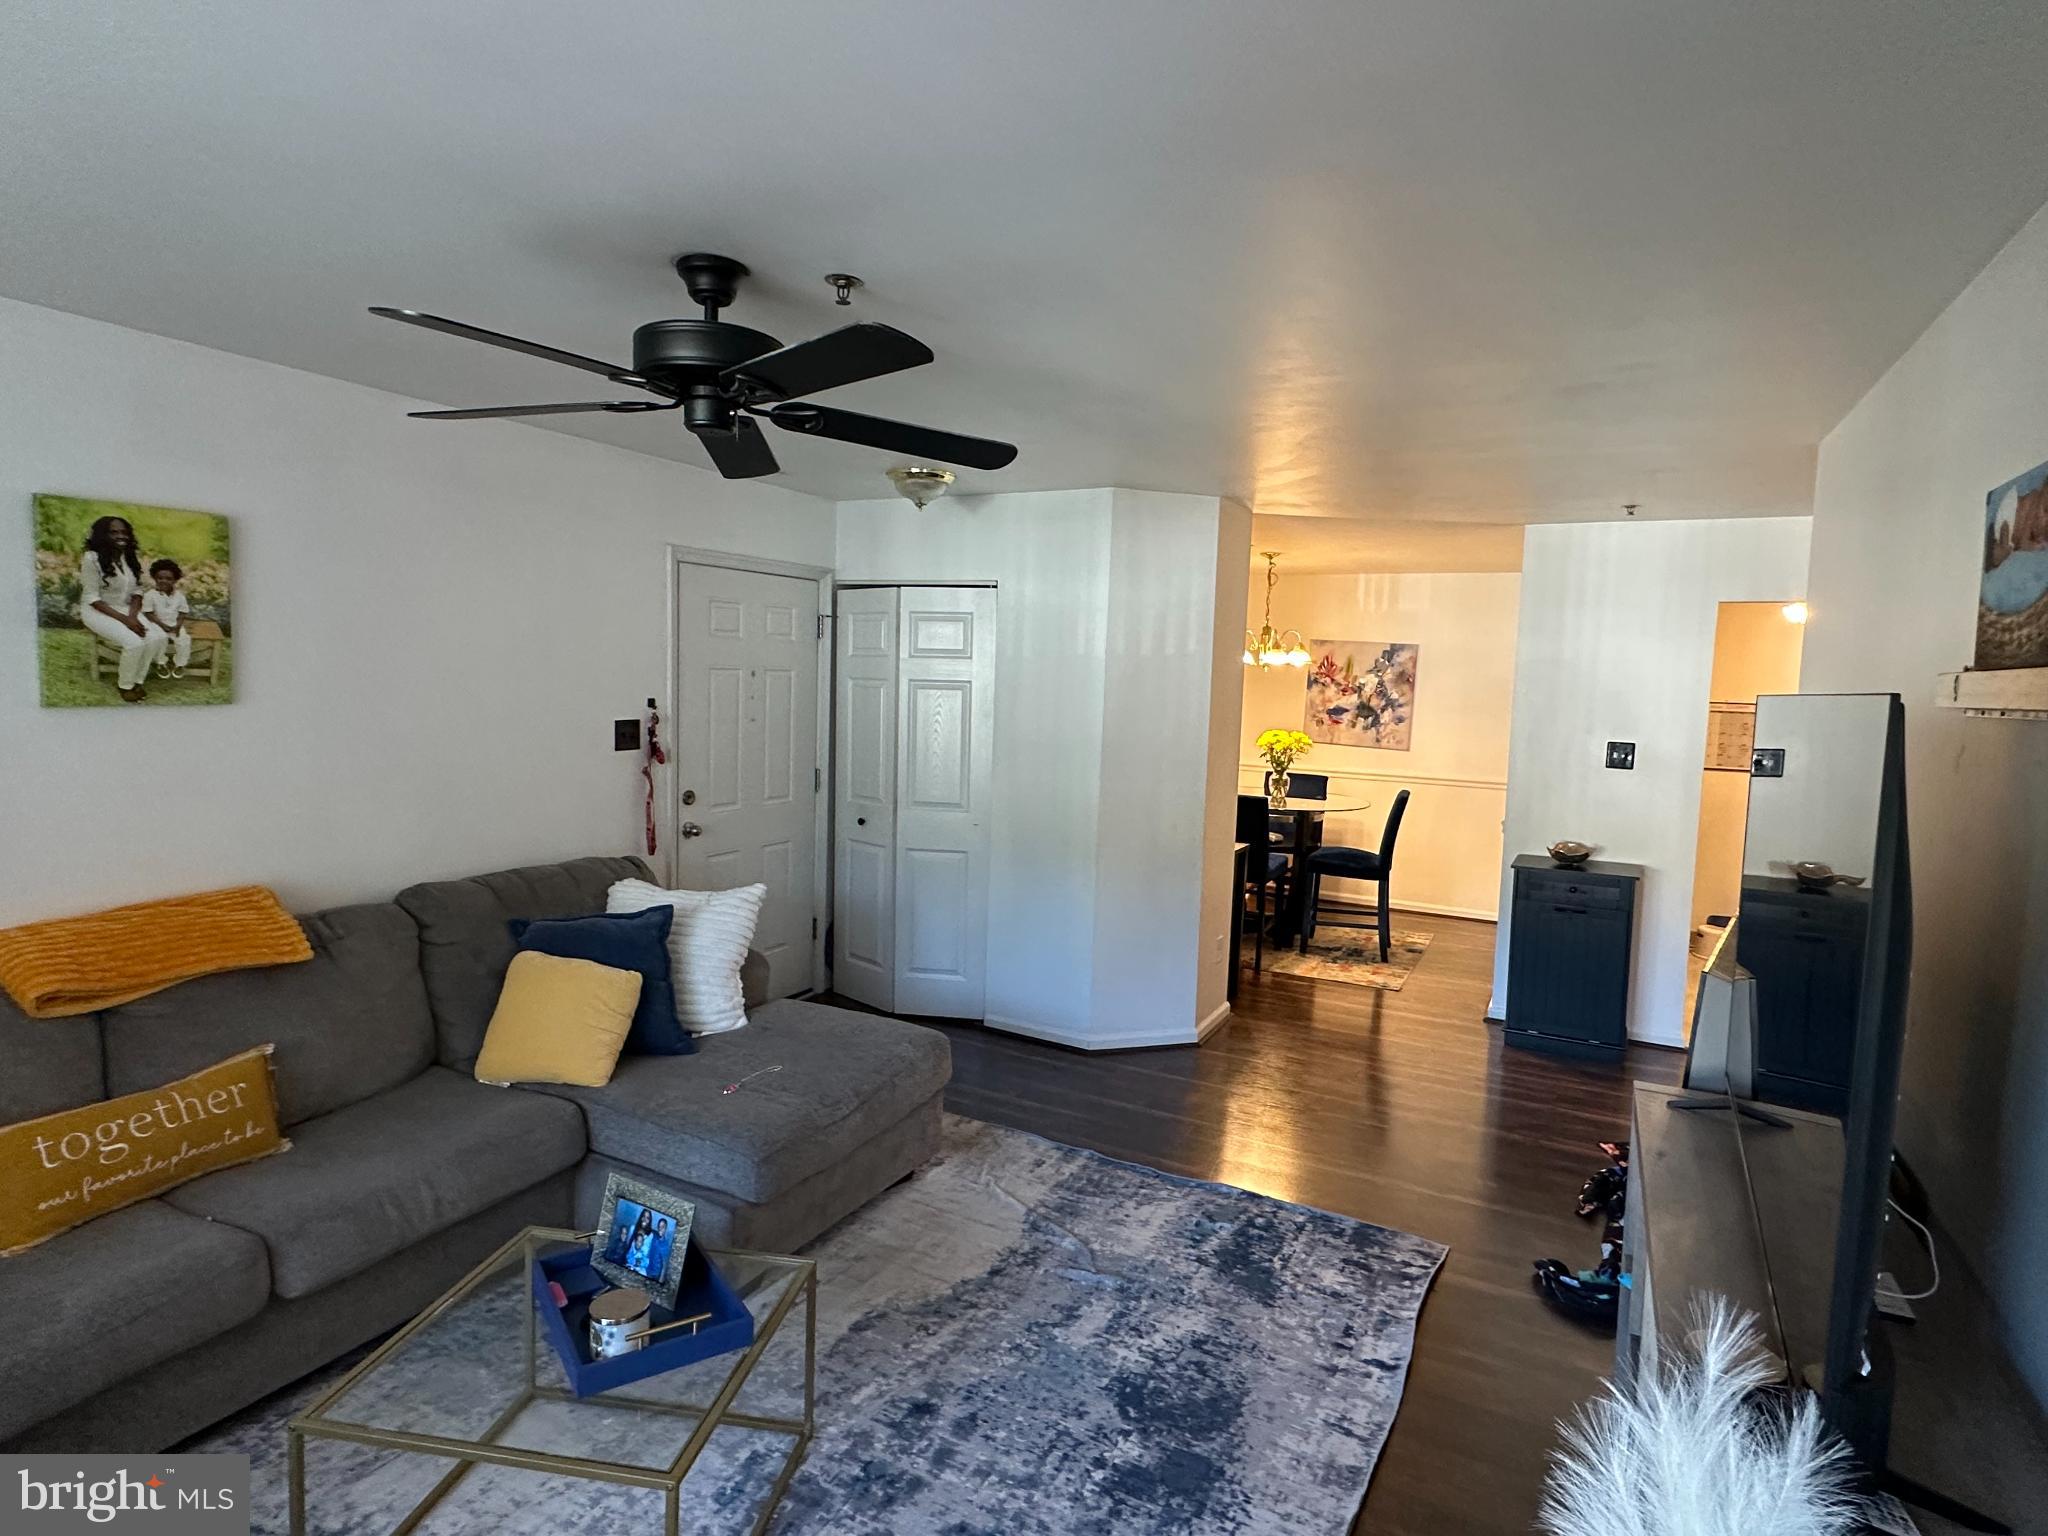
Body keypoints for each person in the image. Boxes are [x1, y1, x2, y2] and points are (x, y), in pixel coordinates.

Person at [77, 516, 167, 702]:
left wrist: (133, 616)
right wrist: (126, 621)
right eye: (114, 532)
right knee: (134, 642)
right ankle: (125, 685)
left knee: (156, 637)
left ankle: (138, 681)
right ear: (103, 535)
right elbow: (92, 598)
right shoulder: (91, 558)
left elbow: (136, 591)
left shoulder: (128, 556)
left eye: (124, 532)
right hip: (97, 611)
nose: (121, 536)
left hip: (126, 609)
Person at [140, 558, 193, 678]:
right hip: (156, 624)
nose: (164, 581)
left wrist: (178, 626)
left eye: (169, 579)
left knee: (184, 640)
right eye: (160, 578)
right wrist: (162, 626)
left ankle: (180, 663)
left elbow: (183, 612)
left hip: (174, 624)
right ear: (155, 578)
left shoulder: (179, 596)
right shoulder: (150, 595)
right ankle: (161, 662)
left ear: (175, 580)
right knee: (160, 639)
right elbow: (148, 613)